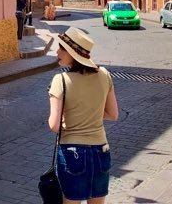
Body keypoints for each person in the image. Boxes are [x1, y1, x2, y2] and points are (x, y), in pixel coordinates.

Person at [48, 27, 119, 204]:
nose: (57, 52)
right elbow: (113, 114)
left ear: (72, 53)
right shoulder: (104, 75)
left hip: (73, 152)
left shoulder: (61, 80)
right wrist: (90, 111)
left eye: (62, 48)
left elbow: (54, 125)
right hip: (101, 150)